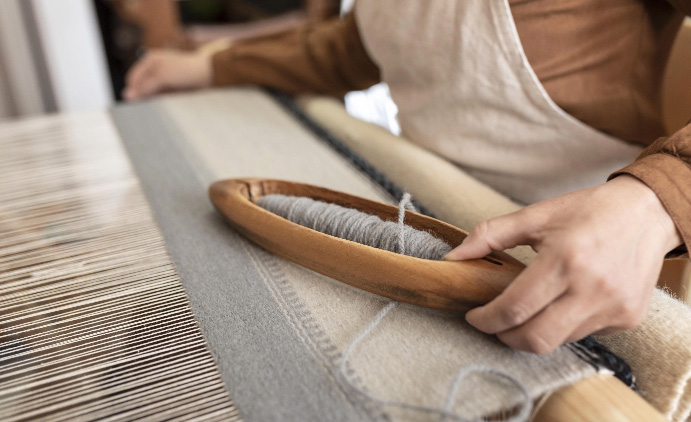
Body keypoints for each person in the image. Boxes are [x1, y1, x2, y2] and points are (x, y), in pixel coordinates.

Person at [123, 0, 691, 355]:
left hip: (592, 281)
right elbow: (353, 47)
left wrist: (657, 200)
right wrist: (208, 66)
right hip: (426, 222)